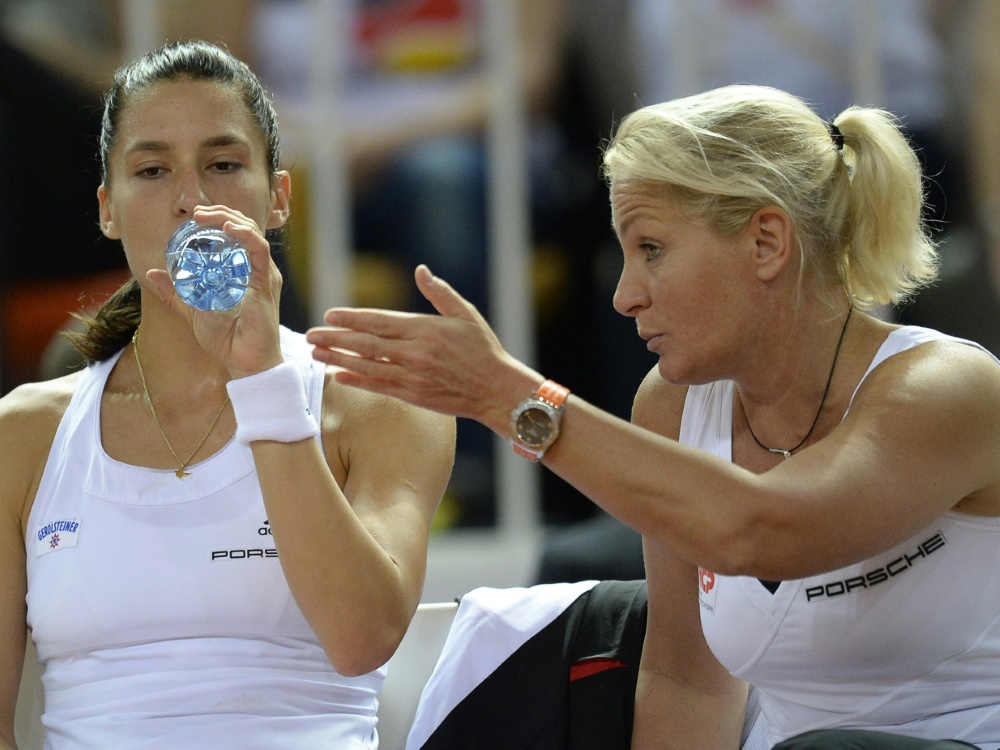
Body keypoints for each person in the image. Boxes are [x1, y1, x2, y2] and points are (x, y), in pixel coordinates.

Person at [307, 84, 1000, 748]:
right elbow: (689, 684)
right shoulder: (668, 404)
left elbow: (764, 529)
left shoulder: (947, 388)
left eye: (652, 250)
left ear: (767, 242)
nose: (624, 296)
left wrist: (511, 398)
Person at [0, 39, 454, 749]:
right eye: (152, 170)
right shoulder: (22, 435)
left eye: (223, 164)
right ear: (107, 210)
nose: (191, 200)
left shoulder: (380, 402)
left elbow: (362, 637)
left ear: (278, 197)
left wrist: (263, 380)